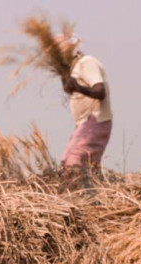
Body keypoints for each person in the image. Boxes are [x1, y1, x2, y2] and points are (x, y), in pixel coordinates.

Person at [57, 35, 113, 191]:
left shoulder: (87, 63)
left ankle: (75, 195)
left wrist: (78, 87)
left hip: (95, 119)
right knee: (81, 163)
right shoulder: (74, 67)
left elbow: (100, 91)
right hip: (84, 123)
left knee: (73, 160)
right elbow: (71, 89)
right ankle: (95, 192)